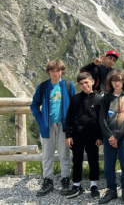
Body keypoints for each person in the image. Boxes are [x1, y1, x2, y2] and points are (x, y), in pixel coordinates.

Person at [30, 59, 76, 197]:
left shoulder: (68, 85)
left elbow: (74, 106)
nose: (56, 73)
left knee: (64, 154)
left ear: (62, 71)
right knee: (47, 155)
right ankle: (48, 180)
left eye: (58, 70)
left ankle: (65, 179)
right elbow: (34, 105)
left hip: (64, 126)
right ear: (49, 71)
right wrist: (40, 120)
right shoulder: (43, 86)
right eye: (52, 71)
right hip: (47, 125)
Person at [99, 70, 124, 204]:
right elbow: (102, 118)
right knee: (109, 165)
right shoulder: (106, 97)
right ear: (111, 82)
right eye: (114, 80)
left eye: (120, 79)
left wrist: (117, 136)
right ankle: (111, 190)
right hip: (109, 136)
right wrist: (111, 136)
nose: (117, 82)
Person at [65, 72, 102, 199]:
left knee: (93, 160)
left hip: (92, 136)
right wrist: (68, 135)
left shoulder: (98, 99)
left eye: (86, 82)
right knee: (77, 160)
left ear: (92, 82)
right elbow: (69, 118)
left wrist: (100, 136)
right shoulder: (75, 98)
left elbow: (101, 120)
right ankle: (76, 184)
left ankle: (94, 185)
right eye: (81, 83)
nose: (84, 85)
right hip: (77, 135)